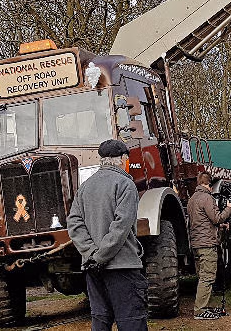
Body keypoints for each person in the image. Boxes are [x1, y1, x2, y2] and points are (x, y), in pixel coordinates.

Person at [67, 139, 147, 331]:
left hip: (93, 269)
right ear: (122, 159)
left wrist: (92, 254)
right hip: (122, 267)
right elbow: (121, 226)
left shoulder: (85, 187)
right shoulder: (126, 184)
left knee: (101, 321)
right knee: (131, 321)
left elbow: (74, 223)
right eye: (126, 158)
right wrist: (102, 256)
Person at [187, 171, 231, 320]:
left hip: (196, 243)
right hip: (207, 244)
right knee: (207, 277)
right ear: (209, 185)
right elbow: (216, 218)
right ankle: (200, 310)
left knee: (202, 276)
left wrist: (219, 228)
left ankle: (203, 306)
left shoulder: (192, 199)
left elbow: (202, 222)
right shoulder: (207, 198)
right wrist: (229, 209)